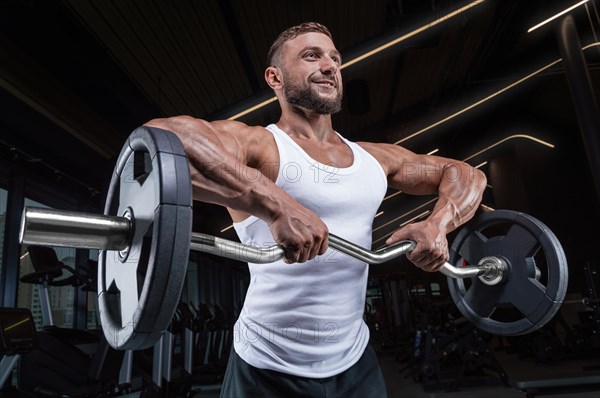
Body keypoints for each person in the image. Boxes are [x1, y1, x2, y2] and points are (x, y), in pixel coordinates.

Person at [145, 22, 486, 398]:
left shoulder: (373, 157)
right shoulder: (260, 146)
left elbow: (466, 174)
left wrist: (438, 223)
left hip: (354, 362)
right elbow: (165, 138)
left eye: (334, 58)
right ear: (275, 77)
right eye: (311, 55)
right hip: (265, 365)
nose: (329, 66)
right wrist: (276, 205)